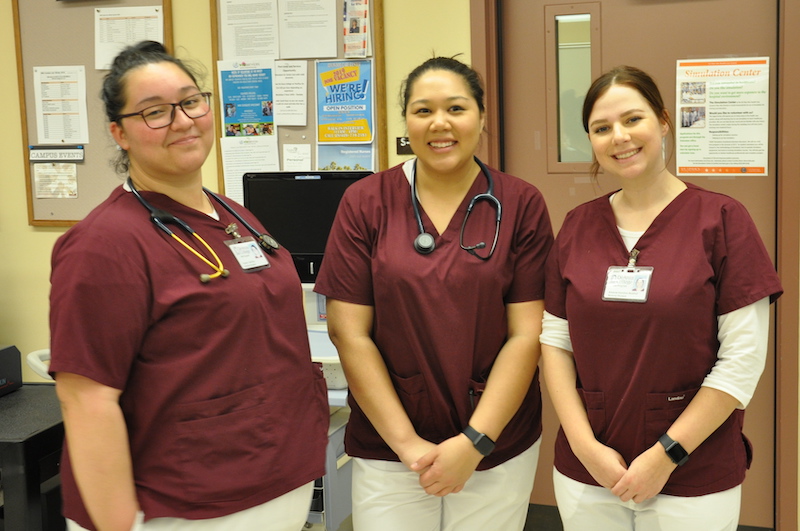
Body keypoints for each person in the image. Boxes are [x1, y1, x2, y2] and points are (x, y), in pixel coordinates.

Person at [48, 41, 329, 531]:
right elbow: (87, 401)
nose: (181, 121)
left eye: (190, 101)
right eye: (154, 112)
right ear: (120, 133)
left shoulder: (231, 213)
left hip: (270, 476)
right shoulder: (103, 244)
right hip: (178, 502)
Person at [314, 56, 554, 531]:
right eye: (423, 110)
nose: (439, 124)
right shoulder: (366, 202)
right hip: (390, 442)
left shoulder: (521, 203)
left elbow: (526, 334)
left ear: (482, 118)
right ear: (406, 121)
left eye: (456, 109)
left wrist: (474, 442)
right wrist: (406, 443)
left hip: (494, 440)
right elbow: (347, 330)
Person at [540, 65, 783, 530]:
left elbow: (742, 360)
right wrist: (584, 446)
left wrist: (667, 455)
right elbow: (555, 339)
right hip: (590, 471)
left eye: (633, 119)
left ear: (664, 121)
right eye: (601, 127)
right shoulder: (577, 225)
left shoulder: (723, 220)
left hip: (693, 470)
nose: (619, 137)